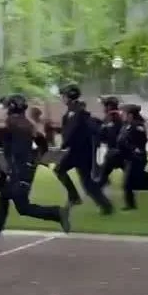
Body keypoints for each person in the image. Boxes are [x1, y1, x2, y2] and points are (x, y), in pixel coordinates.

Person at [0, 94, 71, 249]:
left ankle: (58, 213)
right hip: (23, 168)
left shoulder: (8, 124)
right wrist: (36, 159)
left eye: (7, 106)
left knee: (23, 208)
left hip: (20, 171)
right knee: (3, 197)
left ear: (12, 107)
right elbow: (42, 142)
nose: (5, 109)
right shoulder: (28, 124)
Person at [54, 83, 113, 214]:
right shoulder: (74, 111)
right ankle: (100, 204)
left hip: (79, 152)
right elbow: (69, 130)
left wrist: (62, 146)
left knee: (85, 182)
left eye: (63, 95)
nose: (62, 98)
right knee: (63, 172)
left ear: (69, 96)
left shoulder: (77, 112)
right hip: (77, 152)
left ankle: (101, 204)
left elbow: (72, 131)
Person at [116, 103, 148, 210]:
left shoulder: (137, 125)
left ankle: (131, 205)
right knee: (133, 181)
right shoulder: (126, 125)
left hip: (136, 157)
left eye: (124, 112)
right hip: (127, 157)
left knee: (127, 183)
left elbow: (142, 140)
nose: (121, 114)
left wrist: (134, 148)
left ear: (130, 114)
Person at [95, 96, 123, 187]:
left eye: (105, 105)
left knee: (106, 164)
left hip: (116, 150)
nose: (104, 108)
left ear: (110, 106)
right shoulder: (117, 116)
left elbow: (108, 133)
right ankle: (103, 180)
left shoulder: (112, 117)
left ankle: (102, 182)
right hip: (116, 149)